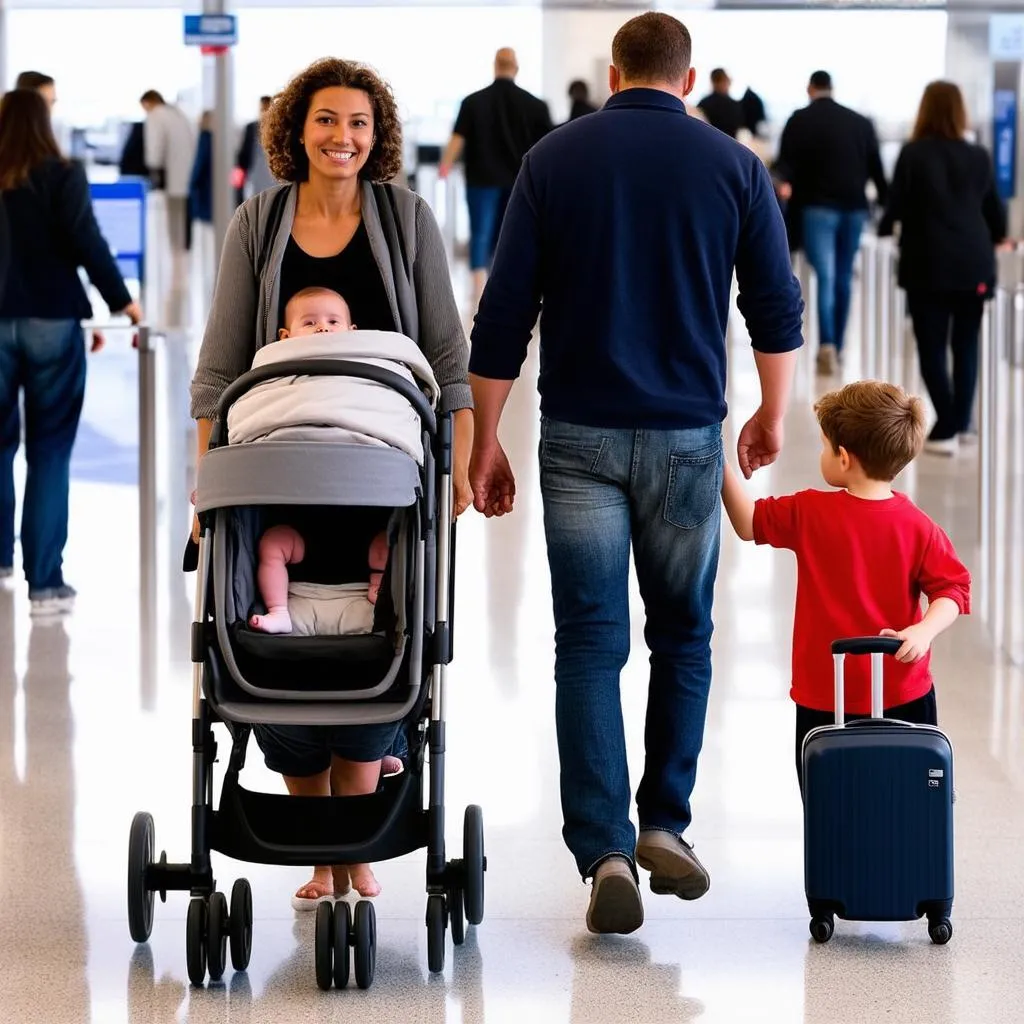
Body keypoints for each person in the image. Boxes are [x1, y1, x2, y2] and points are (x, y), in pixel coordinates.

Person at [467, 13, 803, 935]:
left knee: (588, 643)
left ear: (614, 73)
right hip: (688, 437)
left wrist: (483, 440)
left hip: (577, 434)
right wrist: (773, 412)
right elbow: (773, 304)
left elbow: (503, 316)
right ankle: (666, 823)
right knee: (684, 636)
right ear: (687, 80)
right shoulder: (733, 167)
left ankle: (605, 848)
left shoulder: (552, 160)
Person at [189, 57, 474, 907]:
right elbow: (219, 369)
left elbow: (448, 358)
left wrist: (459, 460)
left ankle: (359, 844)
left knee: (392, 629)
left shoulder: (406, 218)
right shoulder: (259, 223)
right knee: (278, 637)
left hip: (386, 476)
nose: (342, 138)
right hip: (276, 468)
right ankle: (321, 853)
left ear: (377, 134)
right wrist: (211, 482)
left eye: (357, 123)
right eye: (325, 121)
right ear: (295, 130)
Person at [720, 381, 971, 791]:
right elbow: (953, 590)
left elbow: (747, 523)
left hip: (825, 697)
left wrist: (717, 458)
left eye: (823, 446)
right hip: (904, 690)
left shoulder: (809, 511)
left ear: (842, 456)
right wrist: (923, 632)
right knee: (905, 808)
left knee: (832, 816)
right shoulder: (918, 527)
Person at [0, 89, 143, 612]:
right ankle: (45, 583)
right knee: (50, 451)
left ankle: (0, 559)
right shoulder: (61, 174)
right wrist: (122, 303)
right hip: (53, 320)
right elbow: (86, 240)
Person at [246, 286, 388, 637]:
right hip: (300, 529)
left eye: (333, 321)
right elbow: (253, 419)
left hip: (363, 528)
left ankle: (382, 588)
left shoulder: (369, 375)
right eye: (309, 322)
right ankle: (279, 609)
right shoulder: (275, 379)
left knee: (391, 543)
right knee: (271, 543)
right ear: (286, 337)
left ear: (354, 333)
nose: (322, 329)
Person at [878, 81, 1008, 457]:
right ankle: (962, 422)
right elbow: (995, 215)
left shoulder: (913, 154)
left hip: (928, 264)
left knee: (932, 346)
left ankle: (948, 422)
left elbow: (895, 206)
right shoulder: (979, 156)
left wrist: (887, 228)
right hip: (974, 263)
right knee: (966, 345)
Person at [775, 71, 889, 375]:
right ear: (832, 89)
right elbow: (876, 166)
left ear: (810, 88)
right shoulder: (859, 122)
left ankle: (826, 347)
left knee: (825, 277)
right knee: (842, 277)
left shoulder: (799, 119)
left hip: (817, 208)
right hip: (854, 208)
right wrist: (889, 208)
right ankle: (837, 344)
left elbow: (785, 165)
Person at [439, 48, 553, 303]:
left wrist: (444, 167)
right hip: (520, 180)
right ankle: (509, 286)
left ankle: (479, 290)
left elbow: (457, 138)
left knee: (480, 232)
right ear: (516, 67)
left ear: (495, 66)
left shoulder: (472, 102)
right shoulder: (534, 105)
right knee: (513, 233)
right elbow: (549, 144)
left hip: (481, 178)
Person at [139, 89, 196, 260]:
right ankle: (183, 263)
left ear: (149, 102)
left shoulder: (156, 115)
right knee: (184, 223)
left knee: (173, 225)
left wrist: (152, 168)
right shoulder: (180, 114)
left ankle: (176, 264)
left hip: (171, 179)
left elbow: (154, 151)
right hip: (187, 177)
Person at [234, 95, 276, 205]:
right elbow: (242, 157)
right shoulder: (251, 128)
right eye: (262, 109)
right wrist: (238, 181)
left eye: (266, 109)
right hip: (253, 177)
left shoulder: (278, 129)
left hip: (272, 178)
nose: (264, 113)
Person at [696, 68, 744, 138]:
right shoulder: (734, 105)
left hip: (709, 142)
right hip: (730, 144)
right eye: (727, 81)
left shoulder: (703, 103)